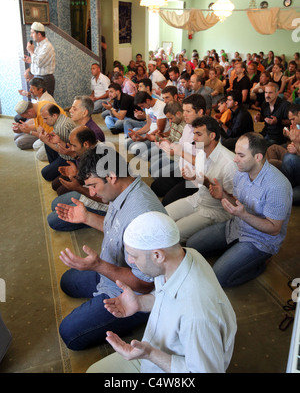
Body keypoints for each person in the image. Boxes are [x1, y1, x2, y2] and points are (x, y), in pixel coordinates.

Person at [86, 211, 237, 373]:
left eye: (133, 256)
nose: (130, 261)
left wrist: (150, 354)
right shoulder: (183, 256)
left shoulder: (197, 315)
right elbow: (169, 298)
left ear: (157, 255)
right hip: (153, 353)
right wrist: (139, 303)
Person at [56, 146, 167, 350]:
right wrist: (87, 217)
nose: (91, 193)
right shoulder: (126, 190)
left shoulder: (143, 216)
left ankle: (141, 315)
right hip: (112, 270)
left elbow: (144, 285)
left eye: (93, 185)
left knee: (68, 334)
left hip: (132, 292)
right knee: (67, 282)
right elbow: (115, 228)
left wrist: (98, 265)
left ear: (112, 176)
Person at [186, 132, 293, 287]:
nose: (235, 159)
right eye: (236, 154)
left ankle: (259, 263)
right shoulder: (241, 173)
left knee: (218, 278)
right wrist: (222, 194)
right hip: (236, 226)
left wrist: (243, 215)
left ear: (258, 157)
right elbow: (238, 203)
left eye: (241, 155)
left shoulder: (277, 186)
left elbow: (274, 229)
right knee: (192, 244)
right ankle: (234, 253)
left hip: (259, 240)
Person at [166, 116, 237, 243]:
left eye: (198, 134)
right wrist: (193, 177)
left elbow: (236, 204)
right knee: (163, 216)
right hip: (197, 199)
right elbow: (201, 181)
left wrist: (206, 182)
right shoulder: (201, 153)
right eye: (194, 134)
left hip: (215, 210)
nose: (194, 138)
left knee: (173, 233)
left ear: (212, 136)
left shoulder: (229, 163)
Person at [47, 127, 108, 230]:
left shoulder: (101, 160)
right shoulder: (94, 148)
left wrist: (78, 188)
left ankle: (101, 219)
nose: (72, 148)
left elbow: (105, 199)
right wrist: (77, 173)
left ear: (86, 144)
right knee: (55, 204)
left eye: (74, 145)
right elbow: (88, 177)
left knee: (52, 221)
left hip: (105, 204)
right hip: (92, 192)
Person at [151, 94, 206, 206]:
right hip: (181, 169)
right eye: (184, 110)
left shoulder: (206, 133)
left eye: (188, 111)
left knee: (166, 202)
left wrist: (178, 152)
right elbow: (179, 145)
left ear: (200, 112)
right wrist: (166, 144)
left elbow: (200, 162)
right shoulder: (188, 126)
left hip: (194, 179)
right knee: (155, 187)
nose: (184, 115)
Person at [38, 103, 77, 181]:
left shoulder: (61, 127)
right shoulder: (62, 118)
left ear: (54, 116)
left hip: (70, 157)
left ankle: (58, 169)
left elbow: (62, 150)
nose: (44, 121)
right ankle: (55, 167)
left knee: (45, 173)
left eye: (46, 118)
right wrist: (48, 137)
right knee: (48, 145)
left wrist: (45, 140)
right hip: (66, 151)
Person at [125, 92, 169, 158]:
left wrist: (144, 138)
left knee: (136, 150)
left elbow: (160, 130)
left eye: (142, 105)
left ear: (147, 101)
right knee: (127, 143)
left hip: (156, 137)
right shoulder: (148, 107)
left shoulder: (161, 107)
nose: (142, 108)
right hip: (150, 133)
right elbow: (148, 125)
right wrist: (136, 133)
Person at [23, 22, 56, 96]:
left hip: (45, 79)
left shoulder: (47, 47)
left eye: (32, 33)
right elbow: (38, 61)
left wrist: (31, 52)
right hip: (38, 78)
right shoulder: (39, 46)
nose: (31, 35)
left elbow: (39, 63)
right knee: (38, 103)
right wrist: (31, 60)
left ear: (39, 34)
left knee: (45, 103)